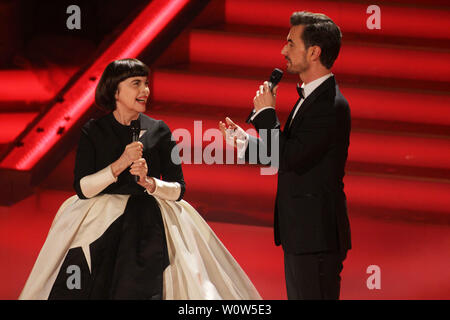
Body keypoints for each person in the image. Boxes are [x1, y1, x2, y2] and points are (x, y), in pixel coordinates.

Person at [20, 58, 261, 300]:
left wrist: (151, 183)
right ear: (115, 89)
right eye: (136, 83)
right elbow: (83, 188)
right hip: (99, 217)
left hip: (149, 217)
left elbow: (179, 188)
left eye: (146, 83)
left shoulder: (160, 130)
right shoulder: (93, 130)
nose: (145, 90)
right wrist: (118, 165)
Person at [219, 12, 351, 300]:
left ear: (314, 52)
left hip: (316, 235)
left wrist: (267, 116)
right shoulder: (312, 97)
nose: (283, 51)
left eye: (291, 44)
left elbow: (289, 157)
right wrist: (245, 144)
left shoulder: (330, 105)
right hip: (302, 232)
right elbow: (288, 151)